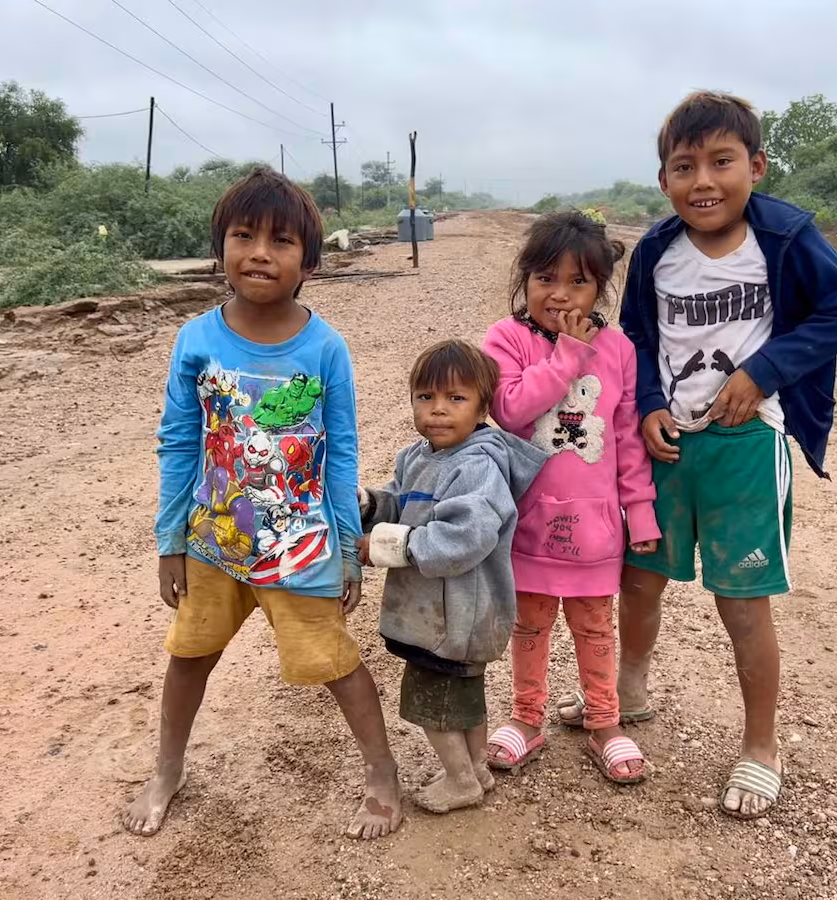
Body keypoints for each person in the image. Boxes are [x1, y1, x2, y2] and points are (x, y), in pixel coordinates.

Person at [557, 90, 837, 818]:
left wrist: (763, 371)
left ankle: (761, 745)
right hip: (668, 449)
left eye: (722, 162)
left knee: (741, 603)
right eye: (684, 166)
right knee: (639, 582)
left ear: (756, 166)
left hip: (746, 447)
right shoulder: (659, 253)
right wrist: (644, 408)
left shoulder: (787, 237)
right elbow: (636, 337)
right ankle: (626, 692)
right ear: (664, 179)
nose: (704, 181)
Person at [123, 167, 401, 841]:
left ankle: (382, 773)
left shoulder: (325, 348)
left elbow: (339, 456)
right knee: (188, 656)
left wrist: (345, 552)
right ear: (220, 248)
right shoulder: (197, 340)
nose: (258, 253)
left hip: (299, 544)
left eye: (280, 241)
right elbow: (179, 445)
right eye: (242, 236)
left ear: (308, 261)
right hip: (214, 541)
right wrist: (169, 542)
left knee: (334, 660)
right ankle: (167, 769)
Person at [481, 211, 662, 785]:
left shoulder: (620, 349)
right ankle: (526, 717)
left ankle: (605, 722)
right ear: (525, 279)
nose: (559, 294)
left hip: (595, 526)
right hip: (528, 521)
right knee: (529, 625)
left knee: (595, 627)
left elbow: (629, 438)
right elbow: (510, 408)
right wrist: (565, 356)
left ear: (600, 286)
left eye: (578, 281)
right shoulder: (505, 339)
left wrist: (640, 511)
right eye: (544, 278)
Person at [358, 339, 546, 814]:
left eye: (455, 399)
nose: (438, 411)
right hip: (438, 610)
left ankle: (460, 779)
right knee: (463, 695)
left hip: (456, 615)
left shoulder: (478, 465)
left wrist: (386, 546)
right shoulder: (418, 456)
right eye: (426, 397)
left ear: (483, 406)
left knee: (433, 700)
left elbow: (467, 536)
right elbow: (404, 503)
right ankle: (477, 767)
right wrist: (373, 507)